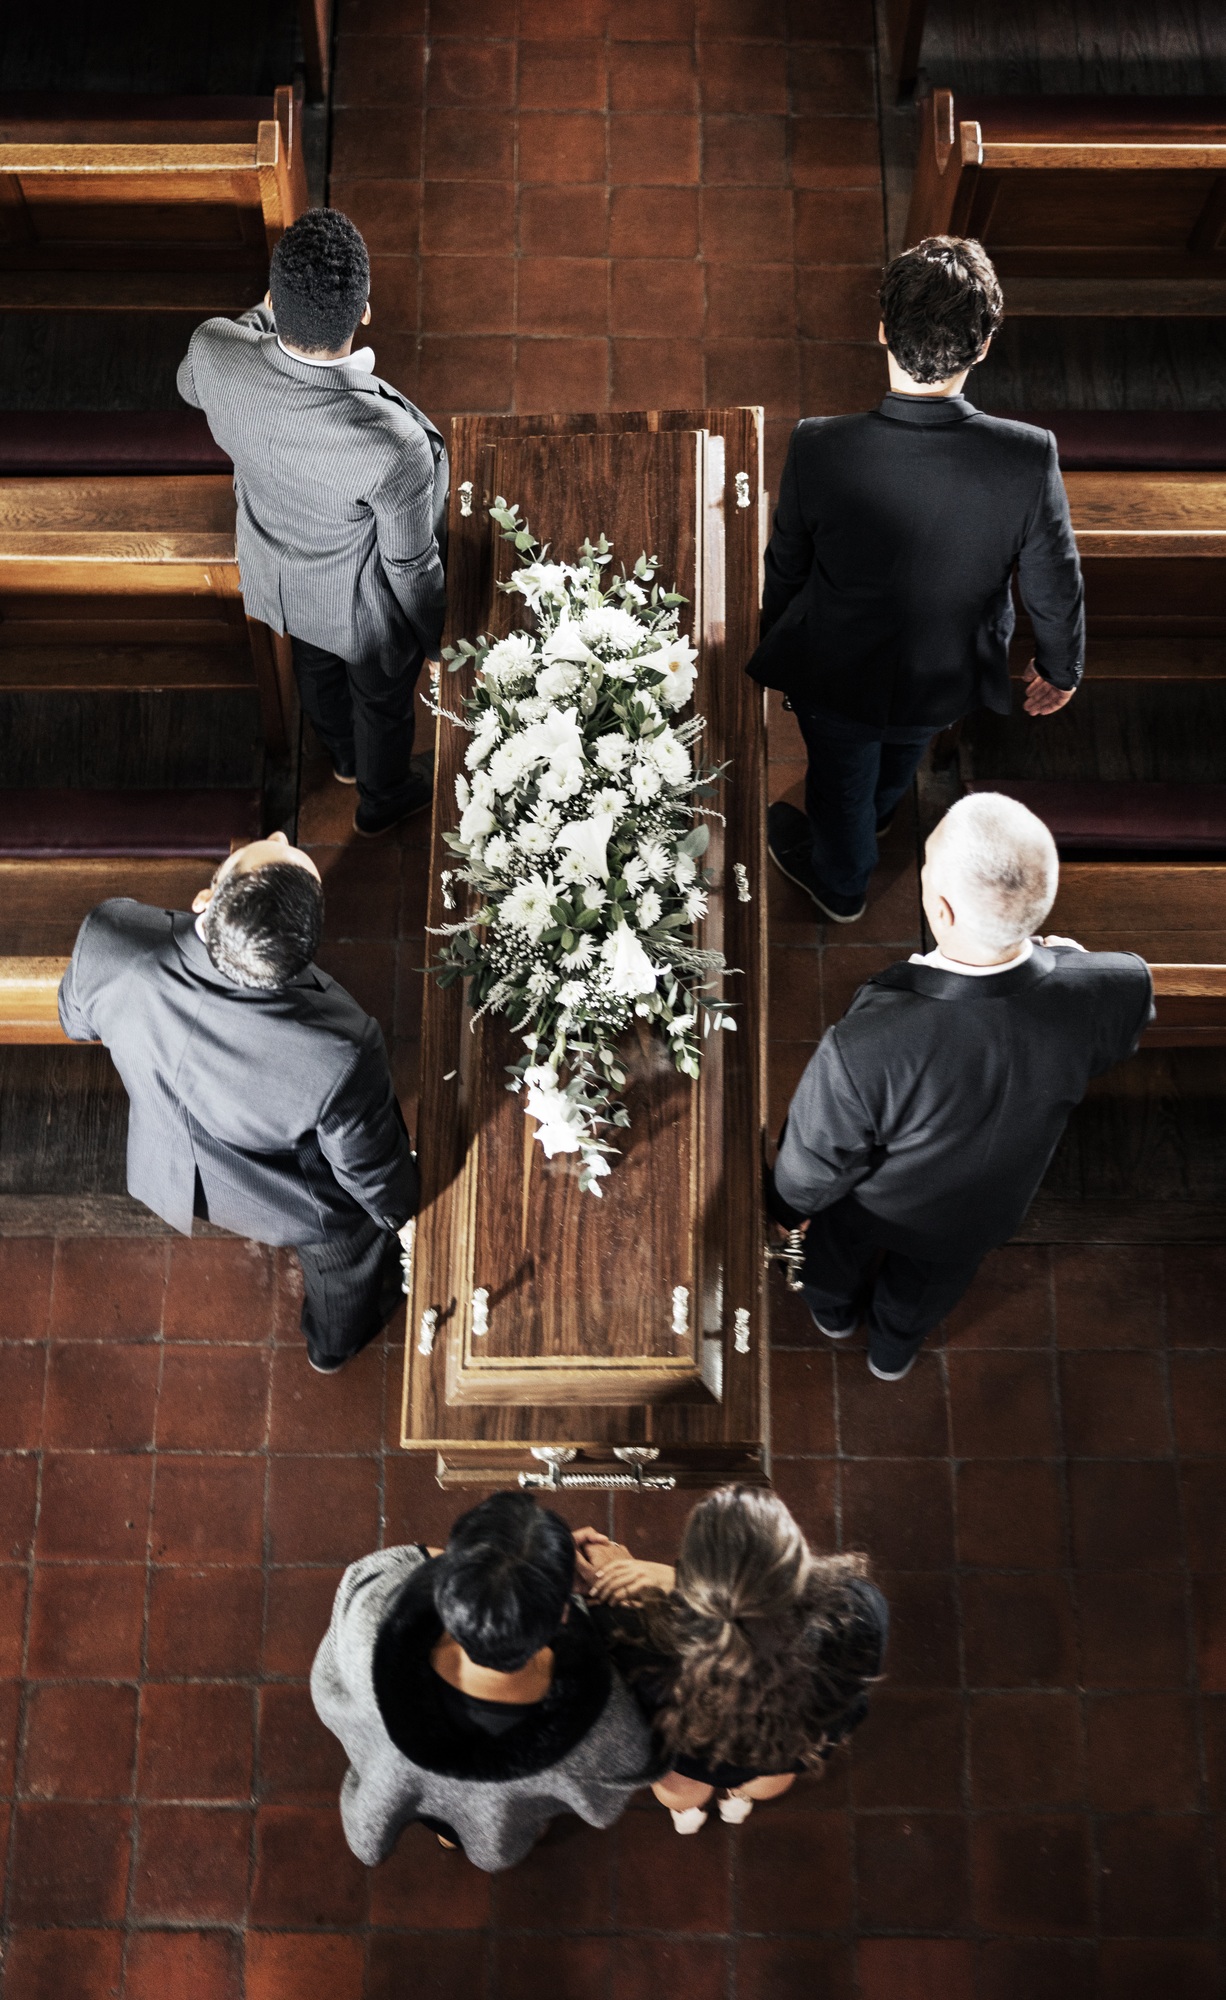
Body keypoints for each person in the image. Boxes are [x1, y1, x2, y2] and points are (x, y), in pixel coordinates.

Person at [749, 234, 1085, 923]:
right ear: (983, 346)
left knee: (837, 780)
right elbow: (1054, 579)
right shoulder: (1028, 455)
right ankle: (880, 813)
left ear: (883, 329)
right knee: (906, 745)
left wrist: (778, 640)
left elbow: (787, 563)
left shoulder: (819, 445)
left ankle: (842, 885)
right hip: (948, 670)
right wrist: (1061, 667)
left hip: (838, 671)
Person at [768, 792, 1154, 1381]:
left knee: (832, 1257)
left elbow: (814, 1159)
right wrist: (1069, 963)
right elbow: (1115, 1034)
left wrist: (787, 1208)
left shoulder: (867, 1044)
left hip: (876, 1204)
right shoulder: (1117, 985)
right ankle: (892, 1354)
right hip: (987, 1211)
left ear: (942, 911)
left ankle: (835, 1316)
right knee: (927, 1289)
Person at [57, 833, 416, 1373]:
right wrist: (397, 1214)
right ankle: (332, 1345)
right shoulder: (338, 1050)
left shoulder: (112, 937)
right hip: (291, 1199)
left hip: (172, 1162)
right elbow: (368, 1169)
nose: (280, 835)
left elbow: (75, 1021)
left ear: (205, 899)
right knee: (346, 1255)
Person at [177, 207, 448, 839]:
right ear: (365, 311)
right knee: (381, 701)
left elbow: (191, 386)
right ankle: (382, 797)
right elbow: (409, 565)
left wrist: (259, 317)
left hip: (275, 572)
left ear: (275, 298)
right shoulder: (391, 443)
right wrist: (439, 640)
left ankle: (344, 758)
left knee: (316, 667)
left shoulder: (215, 350)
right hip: (359, 606)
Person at [310, 1492, 658, 1871]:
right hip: (500, 1814)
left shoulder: (370, 1621)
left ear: (450, 1578)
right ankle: (464, 1833)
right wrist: (542, 1574)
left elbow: (391, 1566)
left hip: (399, 1781)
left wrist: (518, 1569)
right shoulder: (602, 1717)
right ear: (562, 1614)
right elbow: (628, 1767)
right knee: (489, 1821)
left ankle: (445, 1831)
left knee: (435, 1807)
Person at [574, 1487, 886, 1836]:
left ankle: (689, 1811)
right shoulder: (855, 1612)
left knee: (682, 1791)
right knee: (768, 1780)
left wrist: (650, 1584)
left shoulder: (640, 1646)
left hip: (692, 1755)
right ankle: (741, 1794)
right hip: (789, 1744)